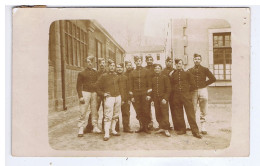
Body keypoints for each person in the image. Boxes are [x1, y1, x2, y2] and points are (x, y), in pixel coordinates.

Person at [170, 58, 202, 139]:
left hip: (186, 96)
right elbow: (172, 85)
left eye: (180, 63)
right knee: (179, 113)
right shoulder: (173, 74)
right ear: (175, 65)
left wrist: (187, 91)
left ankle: (195, 131)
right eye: (177, 64)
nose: (178, 65)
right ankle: (182, 129)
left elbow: (193, 85)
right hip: (176, 96)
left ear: (182, 64)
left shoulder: (188, 73)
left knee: (190, 114)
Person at [188, 53, 216, 134]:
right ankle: (192, 125)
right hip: (193, 91)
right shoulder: (190, 70)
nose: (197, 60)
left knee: (203, 109)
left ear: (201, 60)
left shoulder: (205, 69)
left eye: (198, 59)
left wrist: (204, 84)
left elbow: (213, 79)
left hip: (203, 90)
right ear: (193, 60)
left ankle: (203, 126)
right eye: (195, 59)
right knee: (193, 109)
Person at [96, 59, 123, 141]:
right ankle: (107, 133)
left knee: (116, 115)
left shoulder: (117, 76)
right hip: (109, 97)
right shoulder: (104, 76)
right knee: (108, 115)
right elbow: (97, 86)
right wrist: (103, 94)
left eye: (113, 66)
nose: (112, 67)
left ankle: (113, 130)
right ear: (108, 67)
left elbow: (120, 87)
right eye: (110, 66)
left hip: (117, 97)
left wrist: (121, 97)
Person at [76, 56, 101, 137]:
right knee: (83, 111)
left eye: (91, 62)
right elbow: (78, 86)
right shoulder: (81, 73)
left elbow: (98, 84)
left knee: (94, 111)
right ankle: (80, 128)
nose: (90, 63)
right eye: (88, 62)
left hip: (94, 93)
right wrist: (80, 96)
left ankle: (95, 126)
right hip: (85, 93)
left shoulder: (95, 72)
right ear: (85, 63)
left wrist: (97, 94)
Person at [129, 55, 152, 134]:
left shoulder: (146, 71)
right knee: (138, 110)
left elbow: (149, 83)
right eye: (136, 61)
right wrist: (131, 96)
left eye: (139, 61)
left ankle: (146, 127)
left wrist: (149, 94)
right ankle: (141, 126)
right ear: (134, 62)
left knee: (145, 110)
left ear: (141, 62)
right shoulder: (132, 73)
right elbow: (130, 86)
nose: (138, 62)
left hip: (144, 93)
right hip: (136, 94)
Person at [152, 64, 171, 137]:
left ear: (161, 69)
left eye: (158, 68)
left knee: (164, 113)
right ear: (154, 70)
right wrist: (153, 100)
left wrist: (165, 98)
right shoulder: (153, 78)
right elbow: (153, 90)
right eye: (155, 68)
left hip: (163, 99)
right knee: (158, 113)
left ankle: (166, 129)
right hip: (156, 99)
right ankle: (161, 127)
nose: (157, 69)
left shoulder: (165, 77)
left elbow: (168, 89)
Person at [161, 57, 179, 131]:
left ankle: (176, 126)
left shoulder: (175, 71)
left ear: (172, 63)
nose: (169, 63)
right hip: (165, 93)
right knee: (165, 110)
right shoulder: (162, 71)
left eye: (170, 61)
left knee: (174, 109)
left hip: (173, 93)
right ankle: (166, 126)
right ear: (165, 62)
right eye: (167, 61)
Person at [116, 63, 134, 133]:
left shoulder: (125, 78)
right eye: (118, 67)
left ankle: (126, 127)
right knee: (116, 113)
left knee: (126, 113)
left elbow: (128, 89)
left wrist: (129, 99)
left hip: (125, 98)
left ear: (123, 69)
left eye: (120, 67)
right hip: (116, 98)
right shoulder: (114, 77)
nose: (119, 69)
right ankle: (116, 128)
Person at [145, 55, 155, 130]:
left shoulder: (156, 67)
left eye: (151, 60)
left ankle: (162, 124)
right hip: (148, 90)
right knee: (147, 107)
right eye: (148, 60)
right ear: (146, 61)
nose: (149, 61)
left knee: (158, 106)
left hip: (156, 89)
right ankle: (149, 123)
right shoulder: (144, 69)